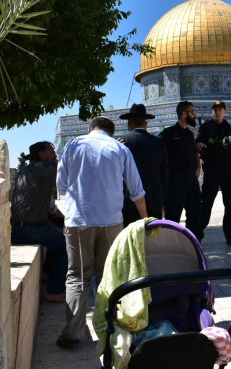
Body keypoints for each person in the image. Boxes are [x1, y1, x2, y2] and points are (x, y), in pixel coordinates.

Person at [55, 116, 148, 348]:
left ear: (90, 129)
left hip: (78, 221)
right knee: (109, 277)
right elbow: (136, 190)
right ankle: (108, 330)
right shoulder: (119, 148)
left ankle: (72, 332)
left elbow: (61, 185)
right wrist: (146, 220)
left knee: (77, 276)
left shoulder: (73, 145)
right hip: (110, 222)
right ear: (110, 131)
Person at [10, 141, 67, 303]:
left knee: (59, 228)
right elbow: (70, 168)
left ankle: (48, 273)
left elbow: (50, 210)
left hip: (18, 228)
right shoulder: (45, 169)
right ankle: (55, 291)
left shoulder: (25, 171)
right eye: (52, 151)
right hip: (30, 229)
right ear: (42, 154)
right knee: (65, 246)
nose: (55, 154)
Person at [196, 100, 231, 247]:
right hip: (211, 169)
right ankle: (197, 236)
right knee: (206, 203)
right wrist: (198, 144)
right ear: (212, 111)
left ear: (224, 111)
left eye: (220, 109)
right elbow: (198, 141)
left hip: (226, 169)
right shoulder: (206, 127)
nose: (217, 112)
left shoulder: (230, 129)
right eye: (215, 110)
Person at [159, 100, 203, 240]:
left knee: (195, 215)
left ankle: (194, 245)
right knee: (172, 217)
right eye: (192, 111)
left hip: (191, 181)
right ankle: (171, 246)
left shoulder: (190, 135)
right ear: (184, 114)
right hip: (175, 182)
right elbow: (160, 156)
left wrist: (198, 166)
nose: (194, 114)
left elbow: (195, 151)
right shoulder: (168, 134)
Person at [119, 103, 168, 226]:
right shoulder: (159, 143)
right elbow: (164, 175)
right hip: (154, 201)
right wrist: (162, 201)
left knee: (131, 240)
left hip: (128, 202)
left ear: (129, 124)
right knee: (151, 239)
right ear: (145, 124)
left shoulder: (122, 143)